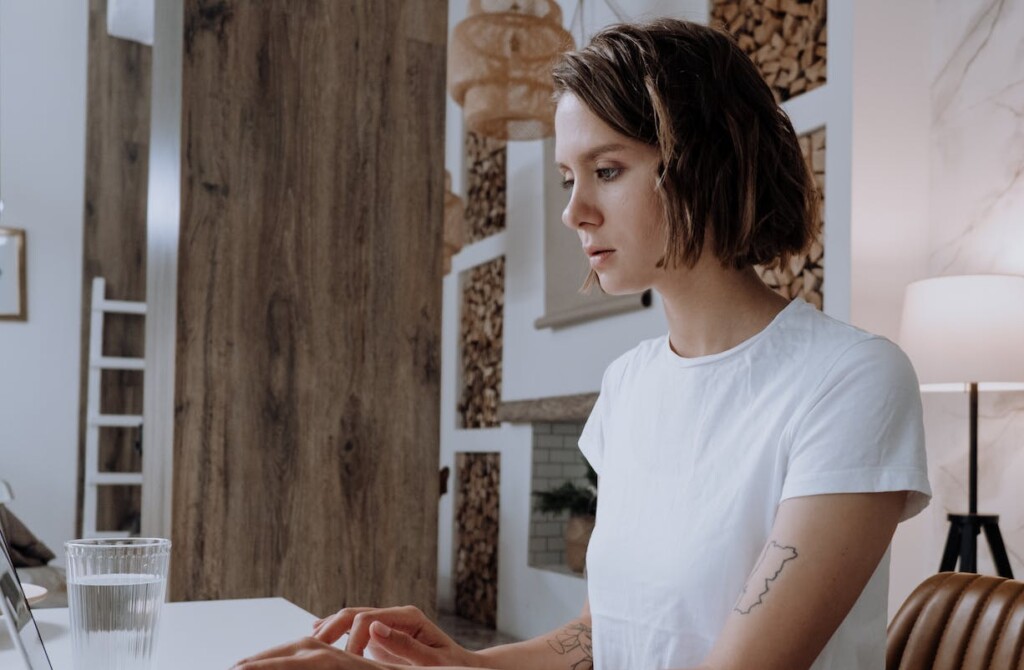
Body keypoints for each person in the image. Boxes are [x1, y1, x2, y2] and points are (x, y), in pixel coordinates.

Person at [232, 17, 930, 670]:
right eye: (569, 178)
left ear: (706, 161)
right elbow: (609, 631)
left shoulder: (851, 380)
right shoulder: (628, 385)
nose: (574, 212)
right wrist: (462, 664)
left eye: (608, 170)